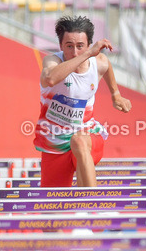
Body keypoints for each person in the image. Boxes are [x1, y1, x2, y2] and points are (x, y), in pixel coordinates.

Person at [37, 15, 131, 187]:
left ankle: (92, 206)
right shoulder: (52, 61)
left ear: (88, 44)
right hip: (55, 141)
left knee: (78, 140)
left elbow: (106, 64)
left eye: (80, 46)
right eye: (69, 46)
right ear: (60, 46)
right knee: (54, 205)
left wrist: (115, 94)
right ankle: (78, 208)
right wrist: (87, 54)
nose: (74, 52)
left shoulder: (98, 62)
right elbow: (50, 79)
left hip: (88, 137)